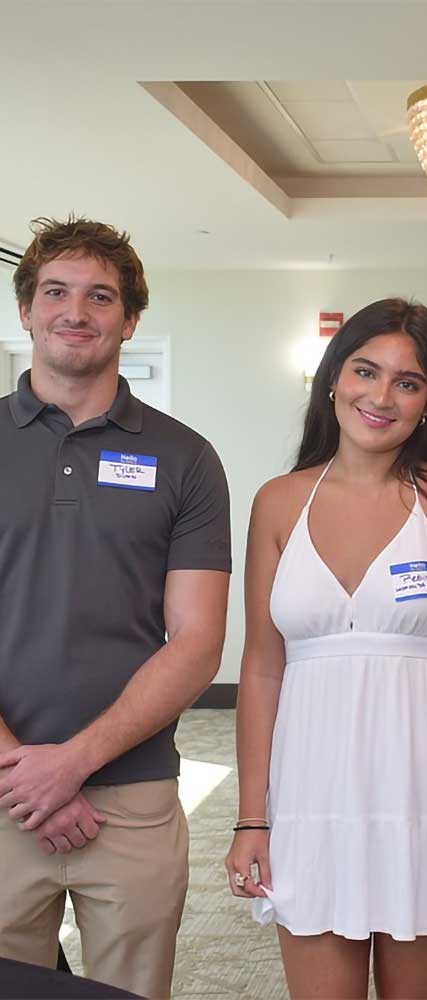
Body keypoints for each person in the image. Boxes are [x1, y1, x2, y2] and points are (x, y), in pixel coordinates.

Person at [225, 298, 427, 999]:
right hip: (310, 791)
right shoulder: (277, 501)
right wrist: (251, 815)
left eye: (408, 382)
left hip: (424, 791)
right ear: (334, 378)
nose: (382, 396)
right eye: (366, 370)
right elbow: (263, 668)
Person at [0, 217, 231, 998]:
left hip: (131, 801)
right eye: (56, 292)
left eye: (101, 296)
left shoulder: (186, 458)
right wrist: (23, 776)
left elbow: (196, 641)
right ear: (26, 310)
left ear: (130, 320)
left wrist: (71, 764)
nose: (77, 311)